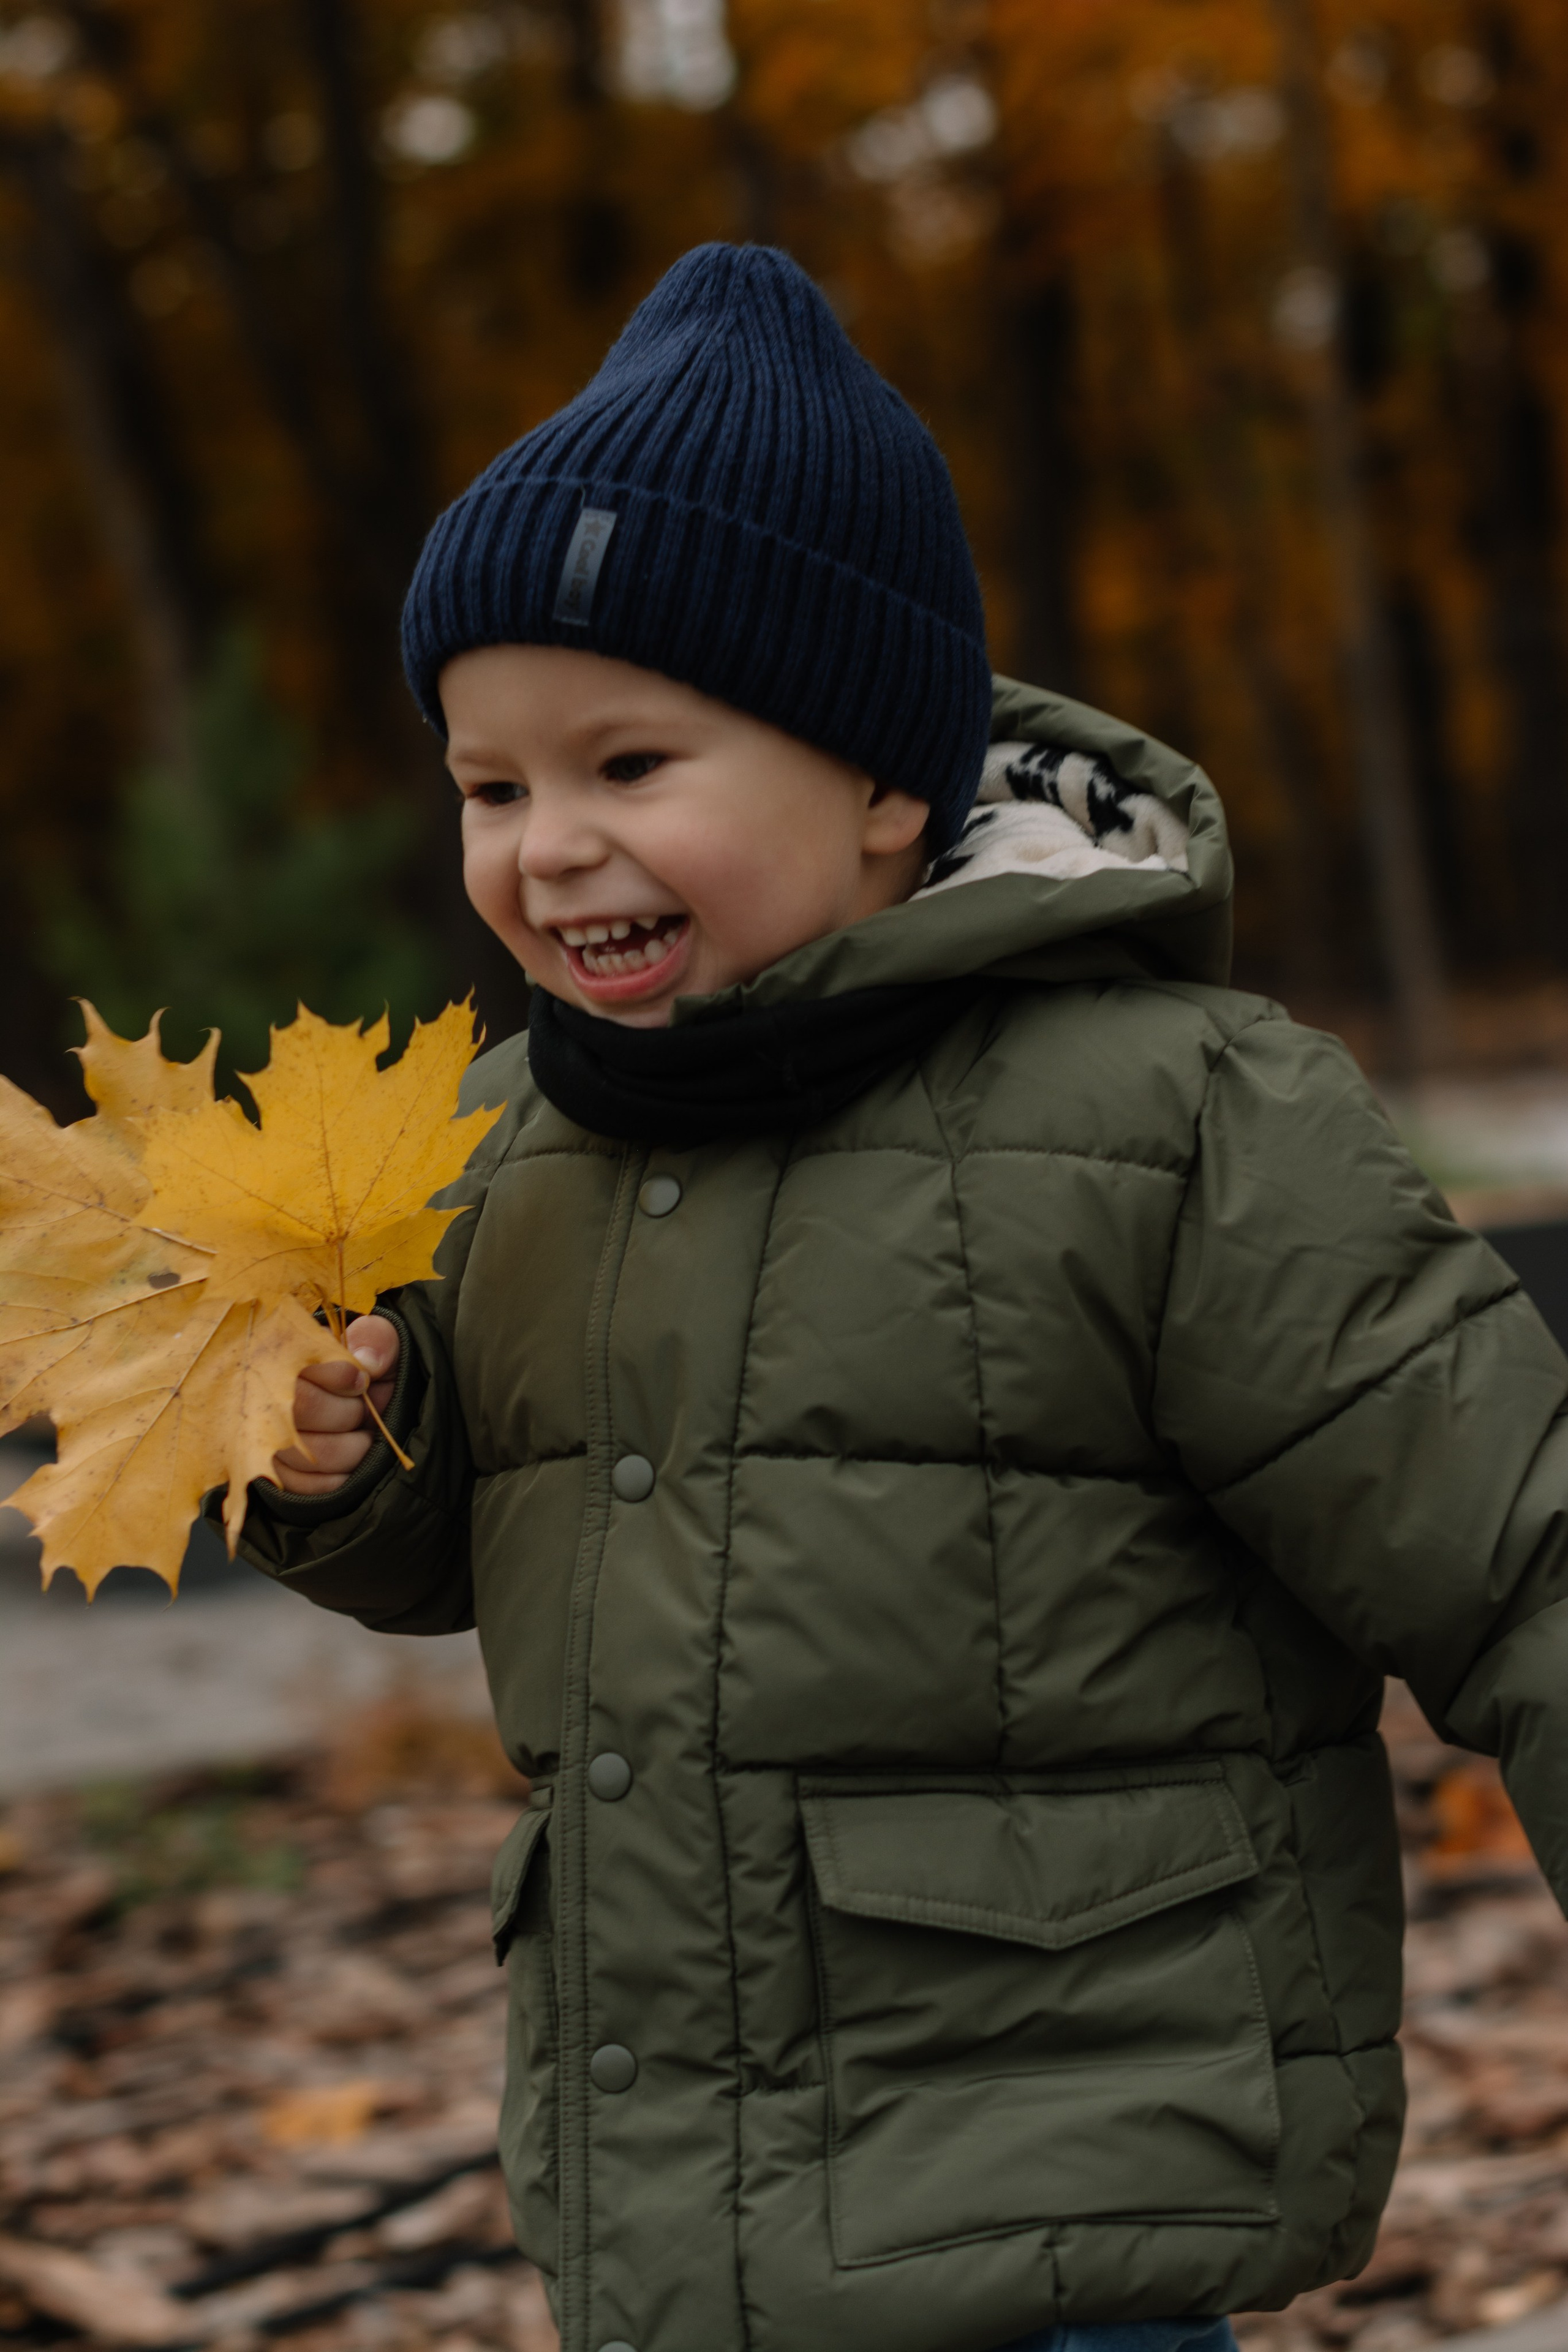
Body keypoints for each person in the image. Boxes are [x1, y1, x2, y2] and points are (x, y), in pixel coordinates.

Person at [233, 244, 1568, 2352]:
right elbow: (464, 1539)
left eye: (629, 766)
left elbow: (1515, 1555)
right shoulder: (494, 1151)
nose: (547, 847)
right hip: (683, 2174)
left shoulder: (1169, 1115)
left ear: (880, 784)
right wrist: (334, 1472)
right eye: (493, 787)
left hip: (1072, 2157)